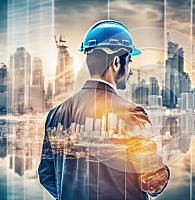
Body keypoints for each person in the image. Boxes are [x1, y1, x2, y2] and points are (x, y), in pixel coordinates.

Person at [38, 20, 170, 200]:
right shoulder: (132, 114)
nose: (130, 70)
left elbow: (47, 176)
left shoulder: (56, 114)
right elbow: (154, 183)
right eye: (129, 60)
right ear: (116, 62)